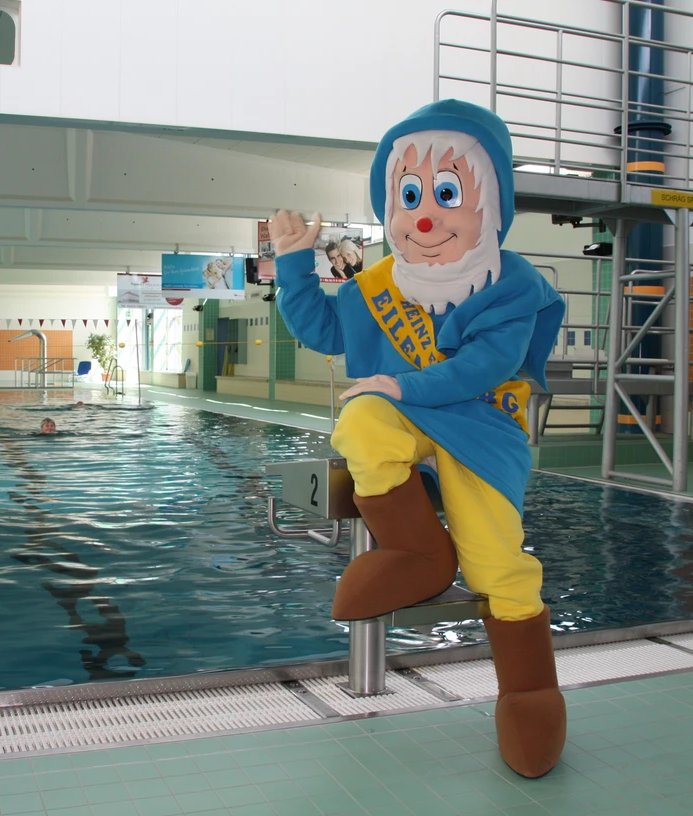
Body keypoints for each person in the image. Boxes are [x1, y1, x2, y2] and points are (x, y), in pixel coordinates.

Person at [268, 98, 566, 779]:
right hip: (405, 418)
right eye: (408, 195)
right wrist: (292, 261)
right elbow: (322, 329)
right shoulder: (378, 284)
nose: (424, 215)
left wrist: (402, 386)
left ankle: (529, 690)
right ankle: (416, 551)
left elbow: (486, 366)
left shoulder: (512, 284)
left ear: (491, 203)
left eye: (447, 193)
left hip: (482, 431)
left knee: (498, 566)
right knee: (362, 418)